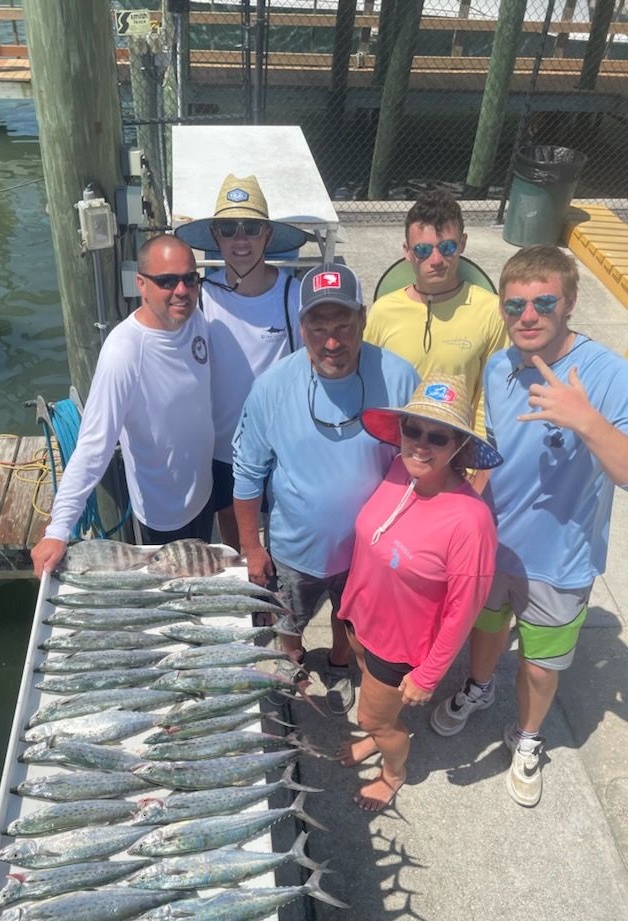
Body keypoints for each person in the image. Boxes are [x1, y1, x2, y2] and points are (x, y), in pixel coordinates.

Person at [429, 245, 628, 808]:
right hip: (496, 546)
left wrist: (584, 419)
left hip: (559, 561)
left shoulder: (608, 374)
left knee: (541, 668)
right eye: (515, 306)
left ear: (568, 302)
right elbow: (498, 452)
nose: (528, 317)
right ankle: (479, 687)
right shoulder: (499, 365)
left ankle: (529, 736)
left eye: (543, 302)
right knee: (488, 627)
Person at [233, 263, 419, 714]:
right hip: (295, 548)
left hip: (368, 550)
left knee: (347, 618)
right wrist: (251, 548)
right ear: (302, 328)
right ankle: (291, 659)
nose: (331, 342)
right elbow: (247, 473)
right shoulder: (271, 388)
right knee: (288, 617)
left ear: (363, 319)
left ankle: (338, 664)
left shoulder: (399, 376)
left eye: (343, 326)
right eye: (318, 328)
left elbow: (418, 463)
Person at [336, 374, 500, 811]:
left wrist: (428, 674)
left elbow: (466, 611)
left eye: (438, 436)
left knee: (371, 714)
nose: (421, 445)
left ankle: (394, 770)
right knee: (372, 689)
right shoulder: (396, 470)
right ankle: (382, 732)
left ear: (459, 448)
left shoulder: (470, 521)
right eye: (413, 430)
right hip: (360, 616)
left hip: (402, 642)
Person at [31, 235, 214, 578]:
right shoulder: (124, 352)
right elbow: (93, 447)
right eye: (167, 281)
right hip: (164, 515)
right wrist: (57, 531)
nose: (181, 290)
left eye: (190, 278)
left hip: (204, 493)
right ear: (141, 284)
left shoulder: (195, 320)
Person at [175, 173, 307, 550]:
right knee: (235, 540)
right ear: (216, 237)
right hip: (219, 449)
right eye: (229, 228)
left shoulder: (294, 296)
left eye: (250, 227)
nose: (240, 239)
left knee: (282, 533)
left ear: (267, 235)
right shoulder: (199, 297)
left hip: (279, 447)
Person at [363, 187, 507, 445]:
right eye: (423, 250)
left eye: (447, 247)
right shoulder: (382, 311)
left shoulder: (491, 311)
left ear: (462, 244)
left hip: (454, 453)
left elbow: (490, 397)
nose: (437, 259)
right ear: (407, 252)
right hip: (392, 449)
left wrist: (476, 459)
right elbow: (368, 384)